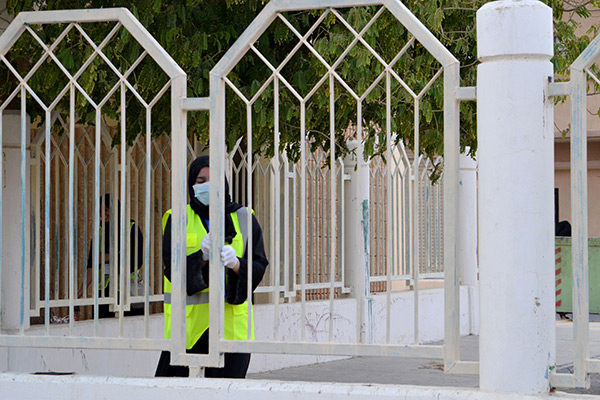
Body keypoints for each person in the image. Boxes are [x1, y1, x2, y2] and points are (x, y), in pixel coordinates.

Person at [155, 155, 268, 378]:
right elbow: (171, 271)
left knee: (225, 391)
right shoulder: (177, 218)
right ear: (192, 185)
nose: (207, 185)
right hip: (187, 331)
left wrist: (236, 264)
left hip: (231, 329)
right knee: (173, 390)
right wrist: (202, 258)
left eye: (212, 179)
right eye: (200, 181)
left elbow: (259, 265)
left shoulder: (244, 218)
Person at [80, 194, 144, 318]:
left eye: (106, 209)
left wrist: (107, 257)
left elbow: (135, 260)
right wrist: (81, 290)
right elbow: (92, 265)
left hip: (126, 290)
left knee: (130, 326)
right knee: (101, 327)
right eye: (100, 211)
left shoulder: (131, 229)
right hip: (103, 293)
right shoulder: (99, 232)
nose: (103, 214)